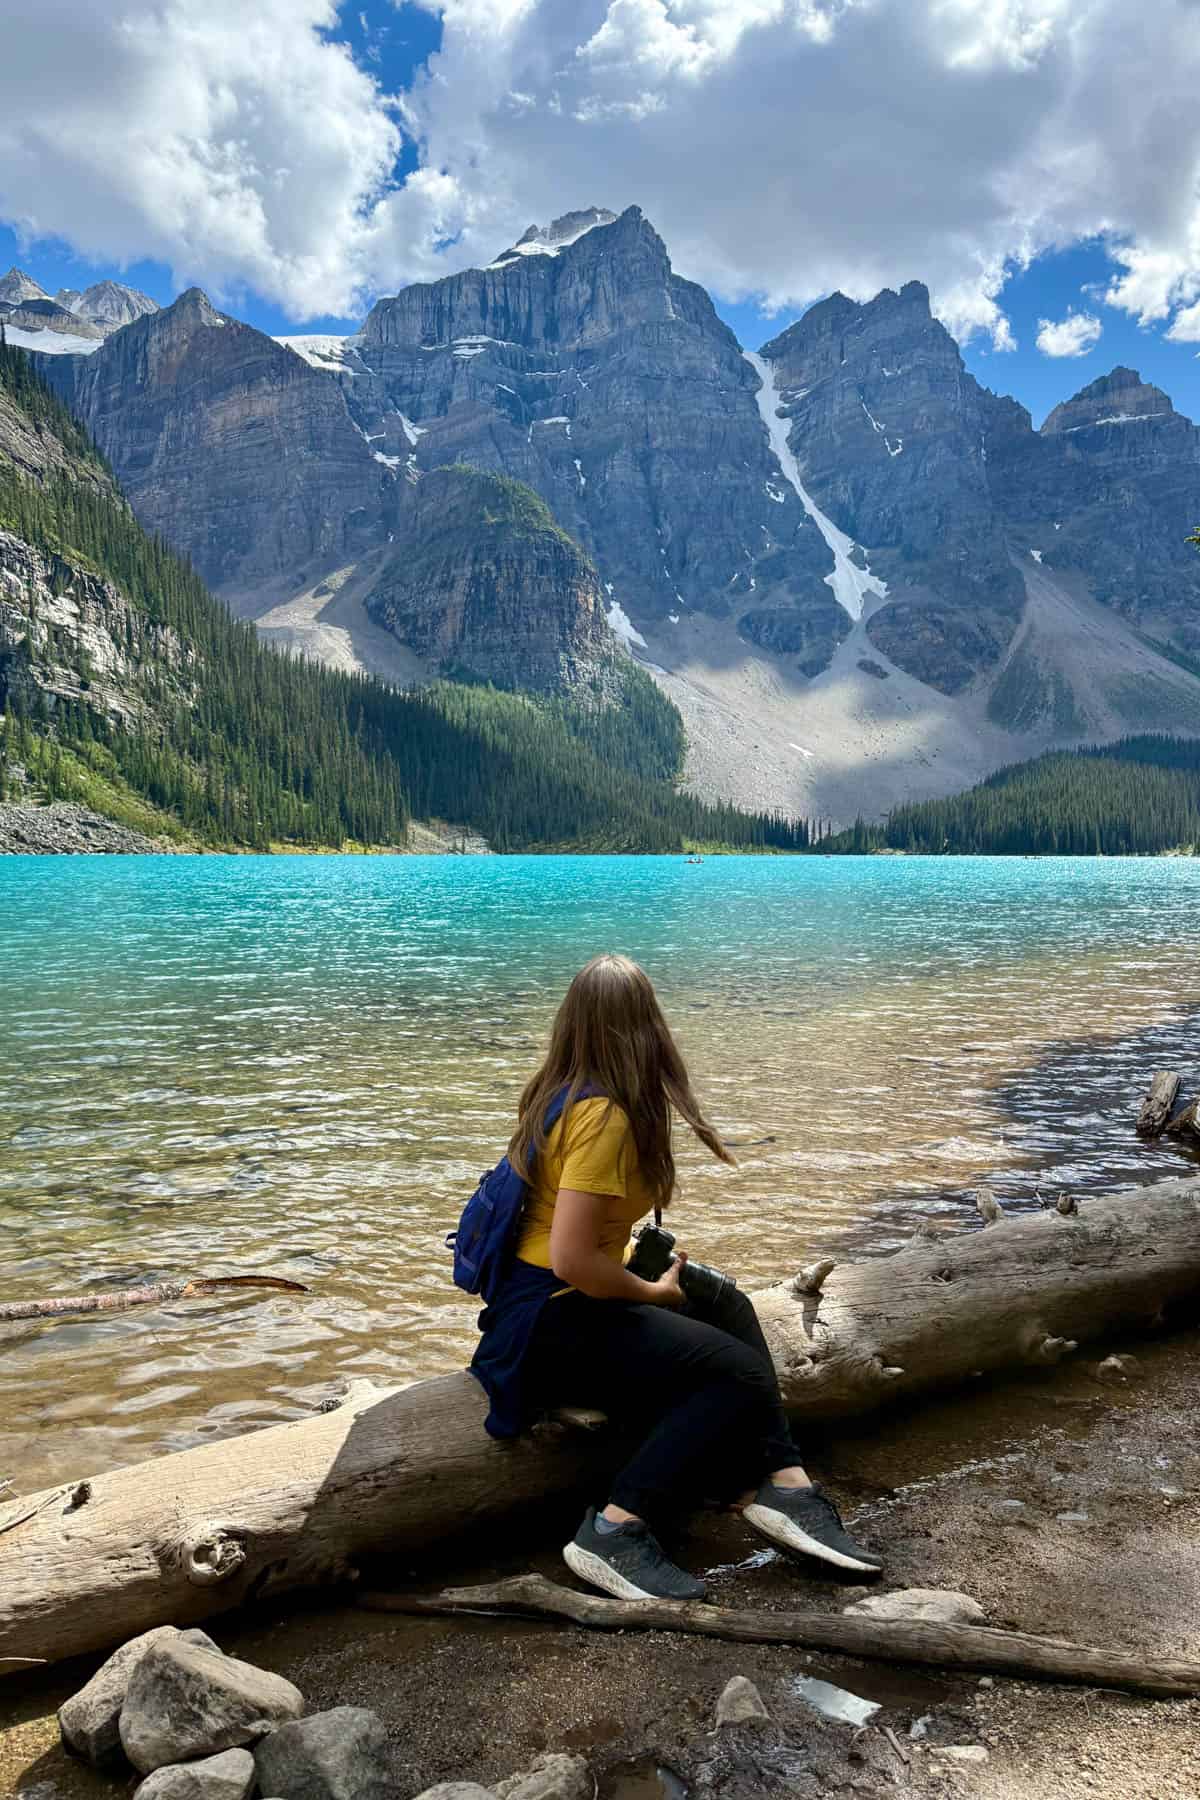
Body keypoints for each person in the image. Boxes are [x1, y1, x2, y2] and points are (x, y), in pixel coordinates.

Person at [469, 952, 881, 1602]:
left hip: (550, 1305)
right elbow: (574, 1261)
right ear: (642, 1027)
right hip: (545, 1327)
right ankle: (615, 1528)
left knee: (731, 1308)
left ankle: (785, 1488)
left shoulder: (564, 1092)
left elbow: (575, 1232)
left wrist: (649, 1274)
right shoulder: (600, 1116)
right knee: (734, 1372)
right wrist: (650, 1292)